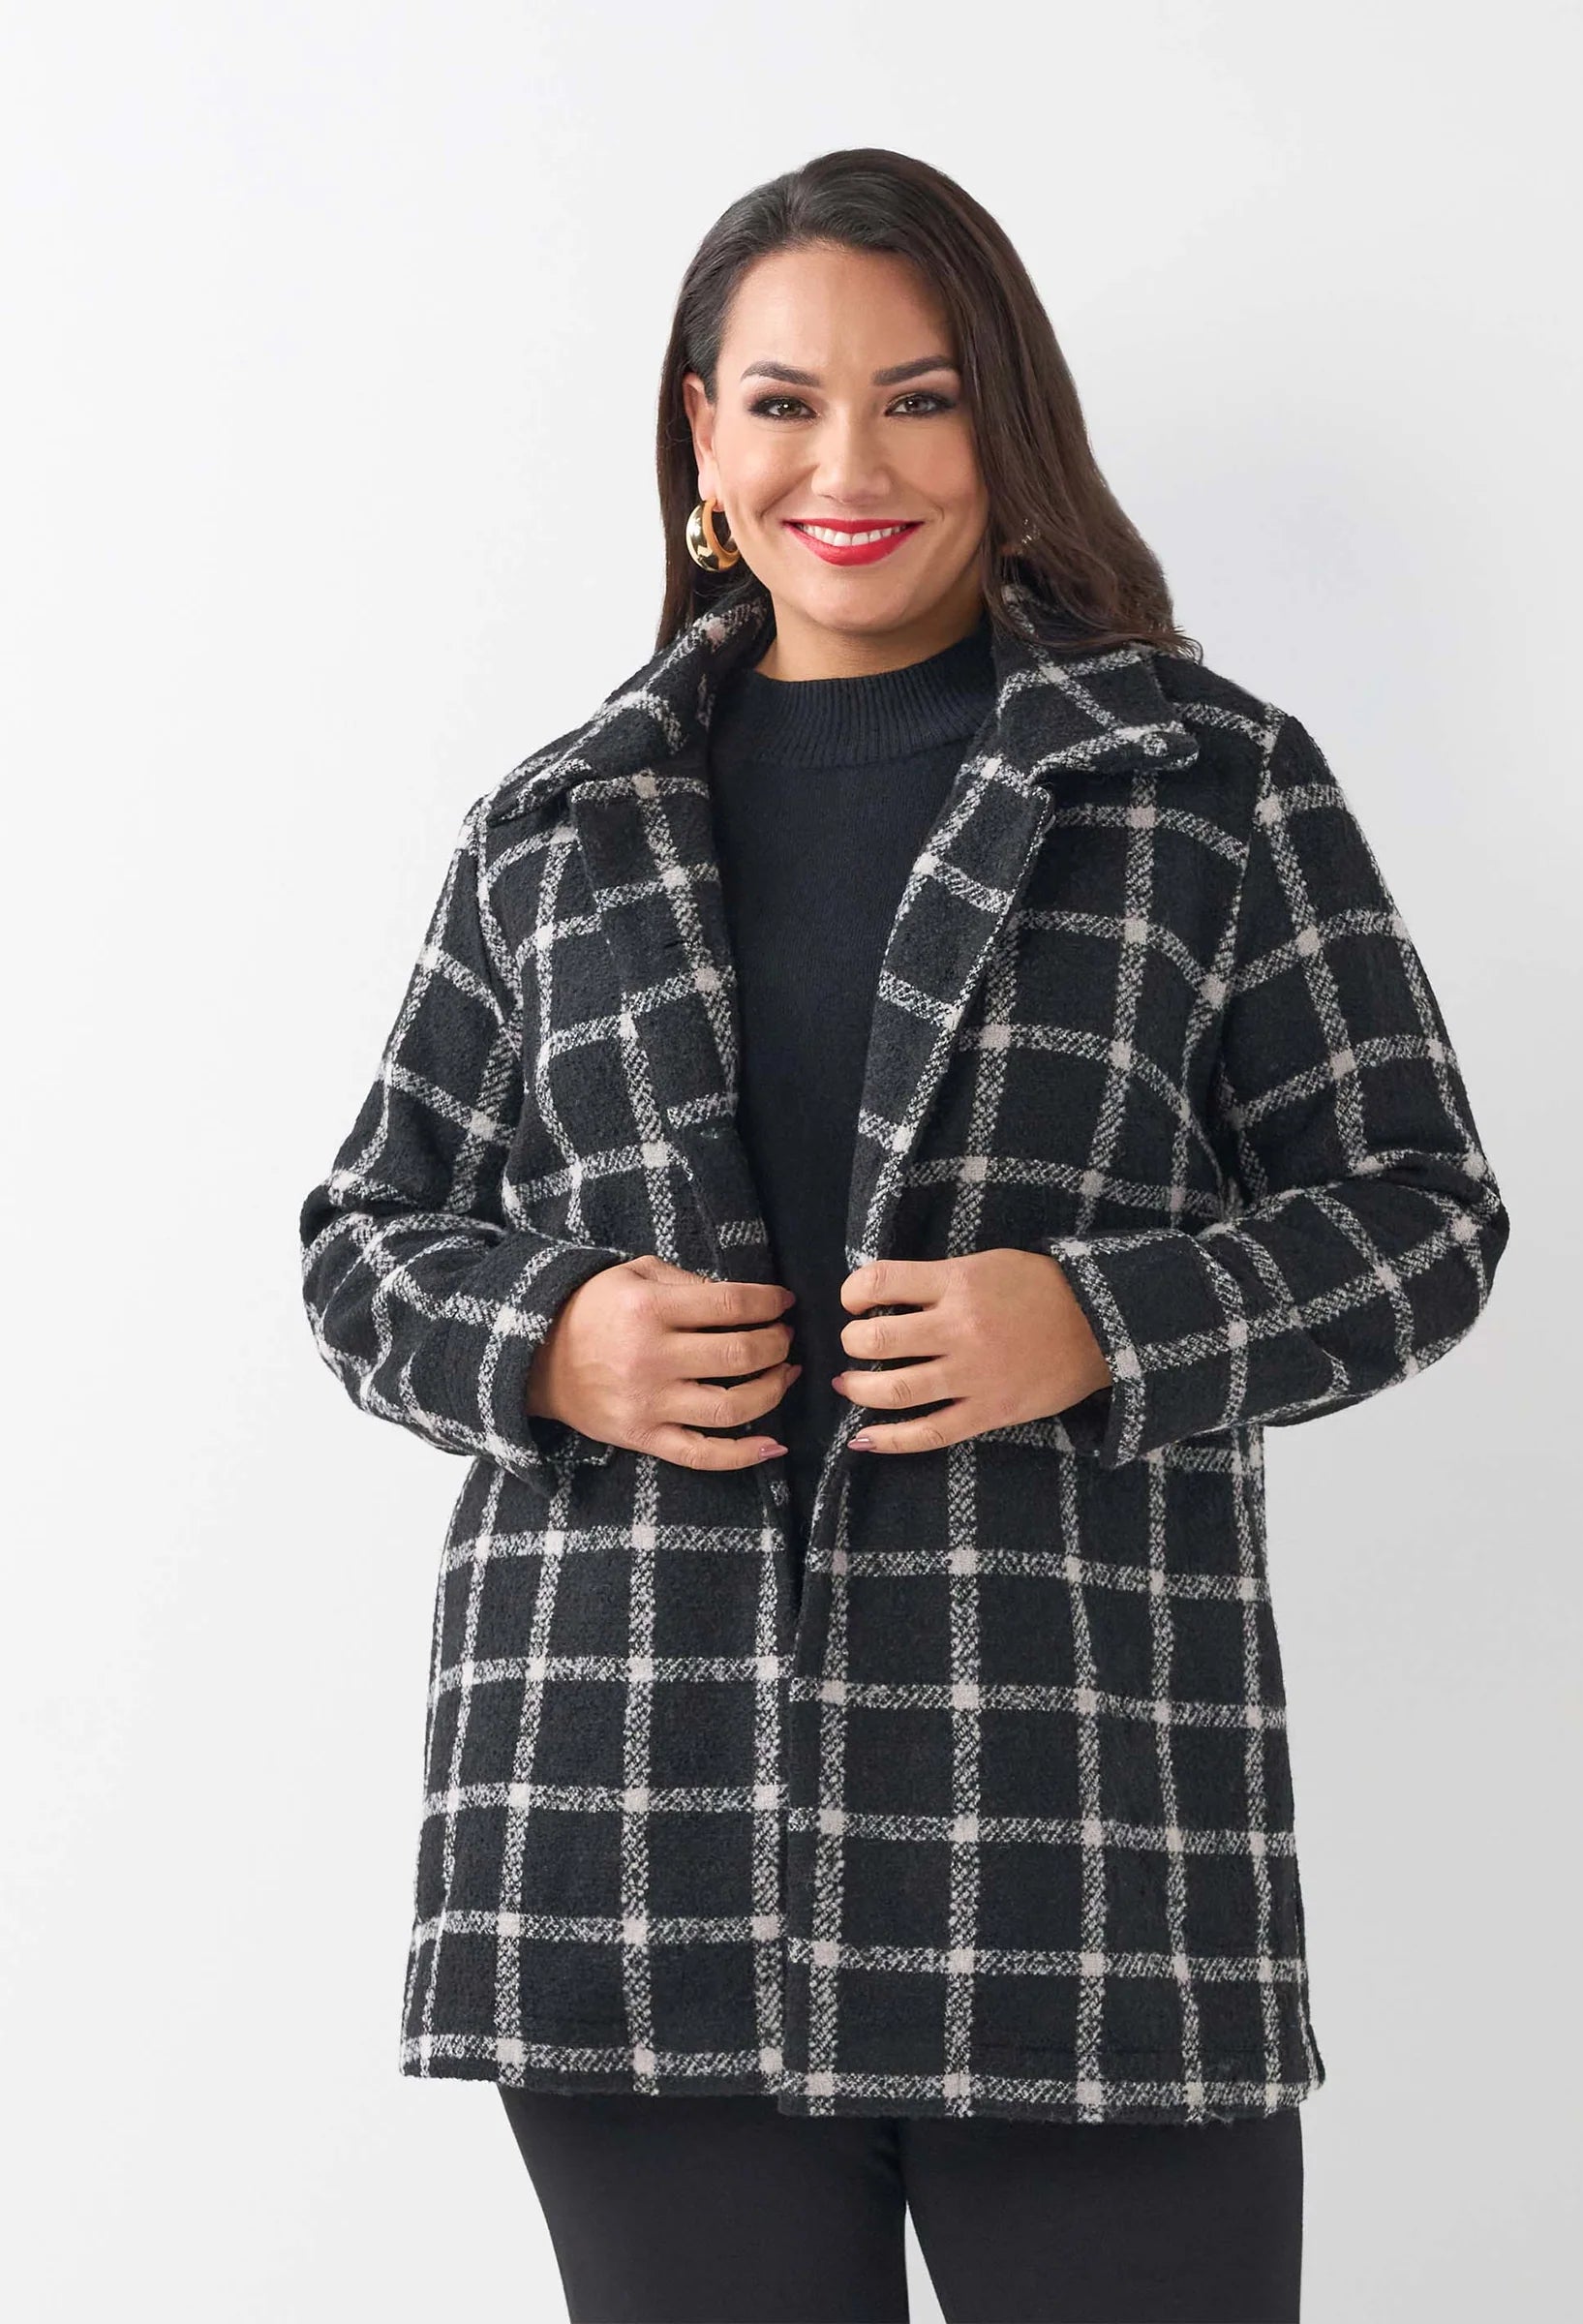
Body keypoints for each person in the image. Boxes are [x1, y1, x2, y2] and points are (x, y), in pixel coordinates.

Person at [297, 146, 1509, 2324]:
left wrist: (1106, 1320)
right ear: (702, 436)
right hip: (626, 1845)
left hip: (1077, 1848)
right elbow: (367, 1237)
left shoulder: (1203, 785)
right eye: (782, 403)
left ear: (1004, 424)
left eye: (920, 399)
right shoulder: (557, 827)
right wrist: (550, 1340)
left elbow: (1422, 1214)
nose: (845, 467)